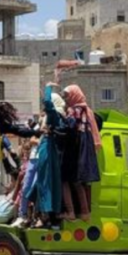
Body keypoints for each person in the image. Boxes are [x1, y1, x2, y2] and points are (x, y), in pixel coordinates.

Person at [26, 84, 66, 228]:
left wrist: (48, 88)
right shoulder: (59, 117)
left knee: (44, 182)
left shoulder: (54, 115)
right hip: (51, 150)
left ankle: (43, 215)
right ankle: (44, 214)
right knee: (46, 182)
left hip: (47, 150)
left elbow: (48, 103)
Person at [60, 85, 101, 221]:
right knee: (80, 181)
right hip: (87, 147)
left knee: (68, 179)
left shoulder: (73, 111)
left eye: (67, 96)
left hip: (76, 147)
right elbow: (94, 129)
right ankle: (85, 212)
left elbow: (69, 128)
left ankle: (71, 211)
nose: (66, 99)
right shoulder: (87, 110)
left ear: (74, 95)